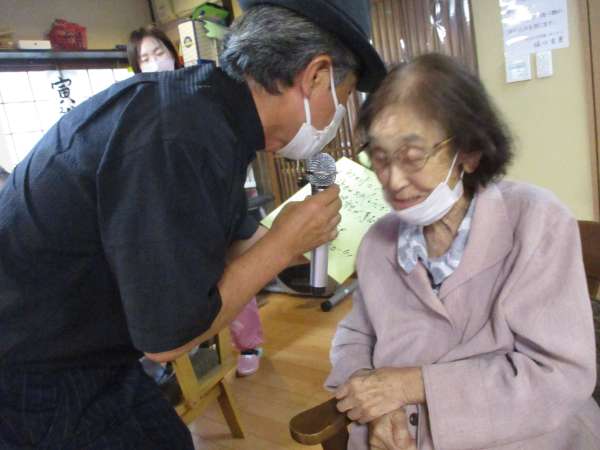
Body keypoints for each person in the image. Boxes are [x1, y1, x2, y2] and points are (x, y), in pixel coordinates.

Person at [0, 1, 385, 449]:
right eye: (344, 96)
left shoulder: (211, 111)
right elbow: (168, 338)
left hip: (94, 351)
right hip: (33, 370)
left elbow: (229, 246)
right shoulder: (178, 135)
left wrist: (293, 236)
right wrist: (282, 243)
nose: (338, 115)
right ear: (316, 76)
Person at [326, 53, 600, 450]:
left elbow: (559, 377)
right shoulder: (378, 242)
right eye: (380, 158)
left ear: (468, 153)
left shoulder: (536, 221)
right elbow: (354, 336)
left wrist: (410, 385)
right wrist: (376, 403)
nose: (393, 180)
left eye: (412, 157)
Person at [128, 24, 265, 377]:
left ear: (172, 53)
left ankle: (249, 343)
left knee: (234, 269)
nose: (153, 62)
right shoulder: (136, 103)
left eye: (158, 52)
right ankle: (196, 344)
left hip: (215, 195)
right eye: (145, 58)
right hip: (171, 207)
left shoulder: (198, 87)